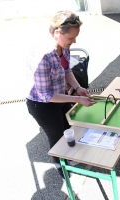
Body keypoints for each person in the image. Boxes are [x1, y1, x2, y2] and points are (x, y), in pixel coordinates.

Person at [25, 10, 96, 179]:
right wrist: (78, 98)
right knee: (56, 136)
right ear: (57, 33)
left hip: (59, 95)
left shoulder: (63, 47)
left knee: (67, 126)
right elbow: (46, 96)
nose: (74, 41)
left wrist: (78, 88)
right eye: (71, 38)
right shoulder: (43, 56)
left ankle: (69, 157)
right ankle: (61, 166)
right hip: (41, 104)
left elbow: (66, 70)